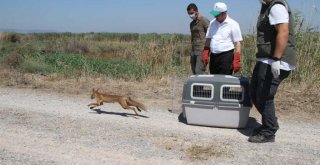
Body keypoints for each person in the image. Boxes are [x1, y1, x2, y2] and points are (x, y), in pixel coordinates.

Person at [248, 0, 296, 143]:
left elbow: (283, 32)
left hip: (275, 59)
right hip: (265, 59)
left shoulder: (277, 7)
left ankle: (269, 132)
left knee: (265, 95)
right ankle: (269, 124)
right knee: (254, 92)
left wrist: (276, 58)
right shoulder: (267, 7)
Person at [202, 2, 242, 75]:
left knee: (224, 81)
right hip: (214, 56)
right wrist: (205, 52)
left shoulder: (233, 24)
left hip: (226, 56)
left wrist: (237, 59)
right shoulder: (212, 23)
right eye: (215, 14)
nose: (215, 17)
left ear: (224, 13)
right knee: (214, 79)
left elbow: (238, 42)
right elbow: (208, 39)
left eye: (217, 15)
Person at [187, 3, 210, 75]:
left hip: (202, 50)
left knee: (199, 71)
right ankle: (197, 86)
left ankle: (205, 82)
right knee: (194, 71)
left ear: (196, 11)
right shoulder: (191, 24)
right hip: (194, 51)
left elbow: (210, 35)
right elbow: (193, 37)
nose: (190, 15)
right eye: (189, 14)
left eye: (192, 13)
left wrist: (208, 51)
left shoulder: (204, 20)